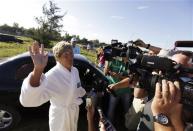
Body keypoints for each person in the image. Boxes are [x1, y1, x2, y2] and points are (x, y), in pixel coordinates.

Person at [19, 41, 86, 131]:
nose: (70, 57)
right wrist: (38, 69)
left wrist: (84, 94)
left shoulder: (75, 71)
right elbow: (28, 101)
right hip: (60, 117)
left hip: (73, 113)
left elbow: (77, 88)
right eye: (65, 55)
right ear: (58, 58)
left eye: (71, 53)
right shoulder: (52, 75)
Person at [104, 56, 133, 127]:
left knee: (127, 110)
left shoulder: (130, 63)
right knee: (111, 109)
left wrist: (119, 76)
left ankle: (127, 125)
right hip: (114, 91)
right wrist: (107, 61)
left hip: (126, 91)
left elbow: (131, 79)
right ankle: (109, 127)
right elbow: (105, 73)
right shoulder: (112, 60)